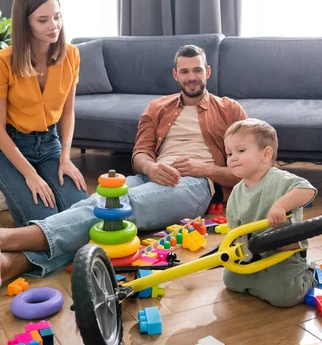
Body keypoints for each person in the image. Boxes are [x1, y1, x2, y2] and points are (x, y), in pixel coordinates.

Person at [0, 44, 247, 284]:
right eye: (185, 71)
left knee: (119, 207)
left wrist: (203, 169)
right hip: (151, 176)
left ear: (208, 71)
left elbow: (248, 168)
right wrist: (151, 167)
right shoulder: (157, 107)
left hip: (193, 184)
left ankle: (10, 238)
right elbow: (140, 154)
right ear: (175, 75)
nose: (192, 77)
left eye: (197, 70)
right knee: (100, 203)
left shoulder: (229, 110)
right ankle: (16, 263)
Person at [0, 0, 88, 227]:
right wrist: (30, 175)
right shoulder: (4, 62)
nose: (54, 25)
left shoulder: (71, 55)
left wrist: (66, 157)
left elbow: (68, 113)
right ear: (24, 23)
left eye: (57, 17)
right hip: (10, 146)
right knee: (43, 222)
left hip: (50, 143)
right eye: (43, 20)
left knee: (81, 215)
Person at [223, 118, 317, 307]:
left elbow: (308, 190)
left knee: (283, 297)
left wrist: (281, 205)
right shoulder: (236, 191)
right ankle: (262, 279)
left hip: (283, 253)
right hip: (253, 251)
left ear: (266, 155)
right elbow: (234, 228)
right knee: (231, 281)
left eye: (240, 151)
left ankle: (309, 274)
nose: (232, 157)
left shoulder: (279, 179)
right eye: (229, 153)